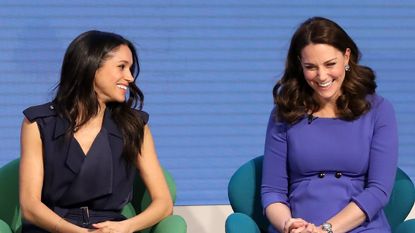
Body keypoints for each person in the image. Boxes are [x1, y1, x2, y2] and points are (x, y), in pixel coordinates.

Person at [19, 30, 173, 233]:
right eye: (121, 67)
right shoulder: (38, 122)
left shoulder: (135, 125)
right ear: (90, 66)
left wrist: (126, 227)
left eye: (130, 69)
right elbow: (30, 206)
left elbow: (164, 203)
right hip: (52, 228)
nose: (130, 77)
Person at [261, 17, 398, 233]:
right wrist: (288, 225)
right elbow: (272, 191)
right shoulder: (284, 113)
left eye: (330, 64)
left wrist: (327, 229)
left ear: (346, 57)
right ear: (300, 65)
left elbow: (379, 190)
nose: (322, 76)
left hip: (361, 227)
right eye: (311, 67)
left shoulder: (379, 110)